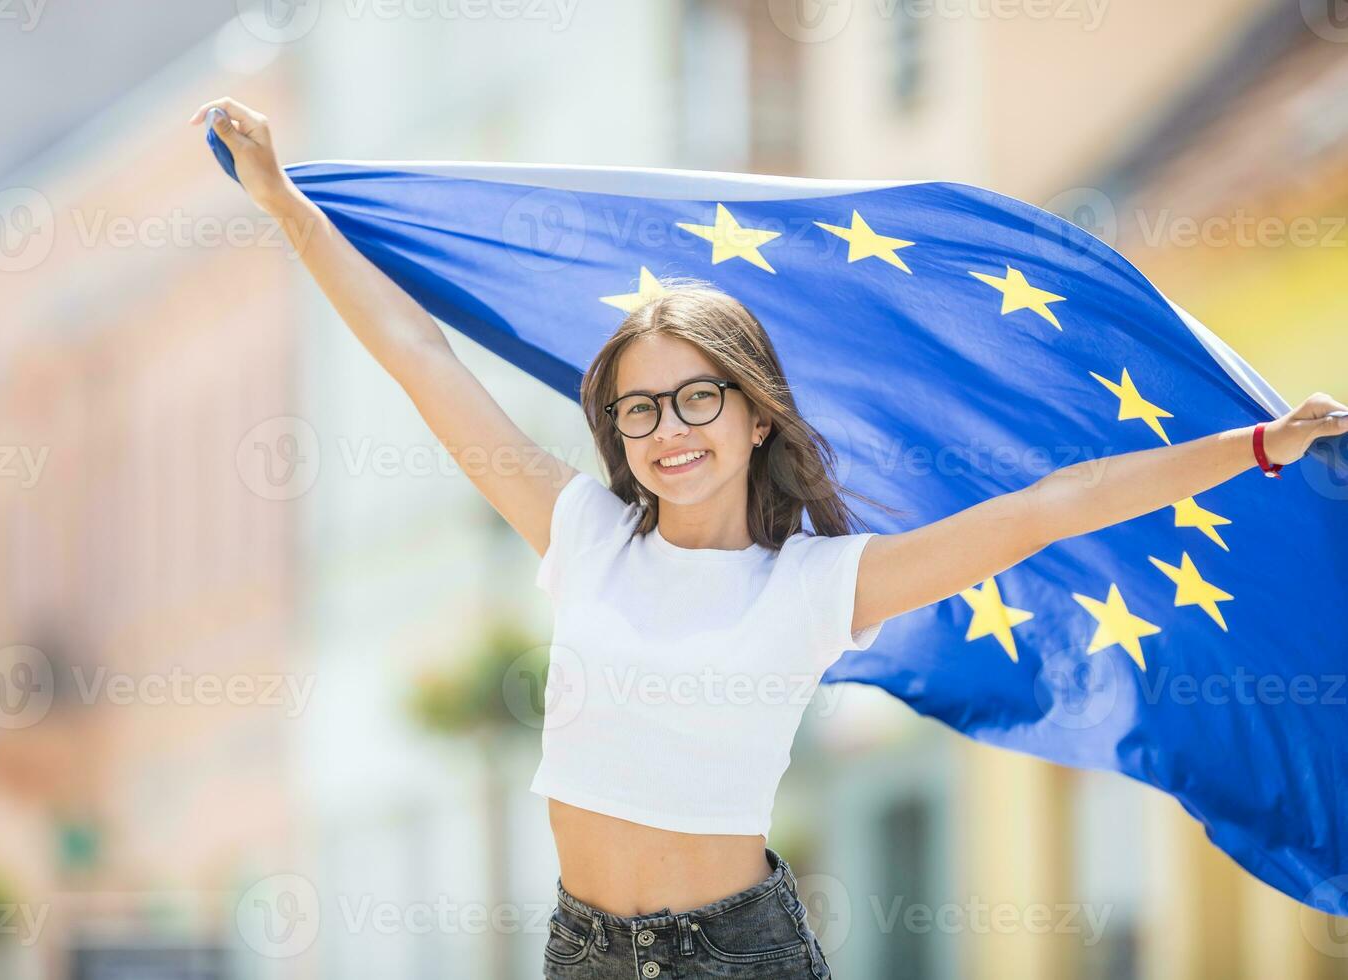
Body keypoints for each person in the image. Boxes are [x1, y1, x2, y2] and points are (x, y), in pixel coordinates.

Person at [189, 97, 1348, 978]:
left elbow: (1053, 505)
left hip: (738, 952)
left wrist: (1254, 446)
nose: (667, 429)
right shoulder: (580, 530)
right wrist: (287, 201)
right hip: (578, 949)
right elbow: (420, 356)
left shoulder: (822, 581)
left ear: (754, 415)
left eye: (697, 398)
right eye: (638, 408)